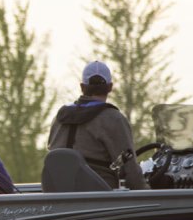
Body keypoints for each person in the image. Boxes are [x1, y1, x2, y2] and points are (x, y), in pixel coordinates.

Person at [46, 60, 148, 189]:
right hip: (98, 194)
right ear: (110, 87)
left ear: (82, 87)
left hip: (56, 191)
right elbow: (130, 170)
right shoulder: (114, 119)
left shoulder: (59, 118)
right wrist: (147, 191)